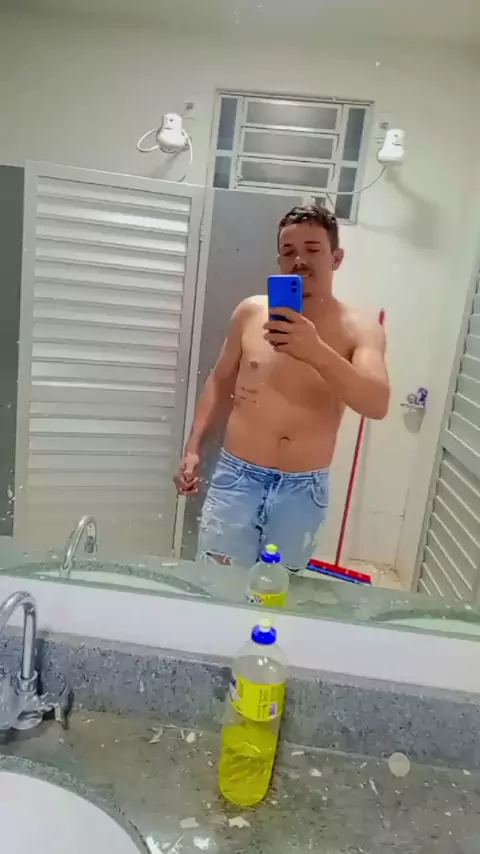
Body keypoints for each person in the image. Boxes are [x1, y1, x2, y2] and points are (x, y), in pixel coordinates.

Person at [174, 204, 390, 570]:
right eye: (289, 251)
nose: (299, 260)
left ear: (336, 258)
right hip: (237, 479)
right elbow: (220, 381)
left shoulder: (360, 327)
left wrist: (316, 351)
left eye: (312, 249)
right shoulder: (250, 313)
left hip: (302, 491)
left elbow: (377, 403)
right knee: (217, 584)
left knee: (279, 590)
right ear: (278, 261)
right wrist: (193, 447)